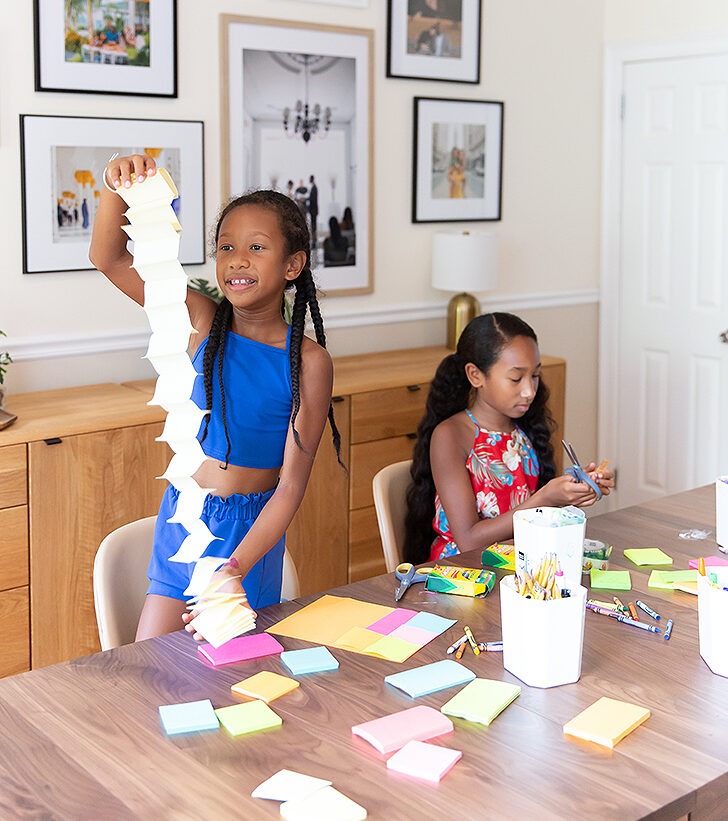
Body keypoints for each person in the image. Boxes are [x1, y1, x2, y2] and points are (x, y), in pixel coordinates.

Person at [89, 154, 341, 641]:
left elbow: (290, 488)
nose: (237, 259)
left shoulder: (309, 362)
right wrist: (115, 183)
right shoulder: (201, 320)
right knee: (153, 664)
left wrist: (235, 567)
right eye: (226, 247)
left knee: (230, 679)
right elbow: (111, 259)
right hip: (185, 515)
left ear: (293, 265)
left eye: (256, 247)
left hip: (248, 534)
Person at [403, 313, 613, 564]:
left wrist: (573, 493)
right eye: (516, 378)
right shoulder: (451, 436)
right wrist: (544, 499)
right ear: (475, 375)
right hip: (463, 573)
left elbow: (532, 513)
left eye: (534, 376)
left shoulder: (525, 431)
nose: (529, 391)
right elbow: (468, 540)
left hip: (520, 564)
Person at [308, 174, 318, 245]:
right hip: (313, 210)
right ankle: (314, 240)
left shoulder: (314, 188)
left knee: (313, 225)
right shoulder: (313, 187)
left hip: (313, 210)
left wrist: (306, 199)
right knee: (313, 225)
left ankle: (314, 241)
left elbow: (313, 199)